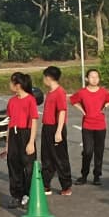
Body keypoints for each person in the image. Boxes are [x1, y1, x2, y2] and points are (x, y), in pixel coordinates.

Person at [70, 69, 109, 185]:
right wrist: (82, 111)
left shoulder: (103, 92)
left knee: (99, 151)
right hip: (87, 126)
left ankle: (97, 176)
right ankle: (84, 175)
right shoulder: (82, 92)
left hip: (100, 126)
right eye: (91, 77)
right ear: (87, 79)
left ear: (99, 79)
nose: (94, 79)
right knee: (88, 151)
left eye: (96, 77)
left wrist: (106, 105)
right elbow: (73, 100)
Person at [2, 72, 38, 209]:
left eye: (11, 82)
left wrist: (31, 142)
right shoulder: (12, 101)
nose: (10, 85)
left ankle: (29, 195)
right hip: (14, 134)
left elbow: (34, 121)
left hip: (25, 134)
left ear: (18, 85)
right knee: (13, 166)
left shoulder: (30, 100)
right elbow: (10, 122)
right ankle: (16, 195)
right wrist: (7, 144)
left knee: (28, 167)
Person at [40, 66, 74, 196]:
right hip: (47, 128)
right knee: (46, 157)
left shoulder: (60, 92)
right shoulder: (50, 92)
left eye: (44, 77)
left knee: (60, 158)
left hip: (56, 127)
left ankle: (66, 186)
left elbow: (62, 111)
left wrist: (59, 131)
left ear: (48, 78)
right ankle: (46, 185)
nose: (43, 80)